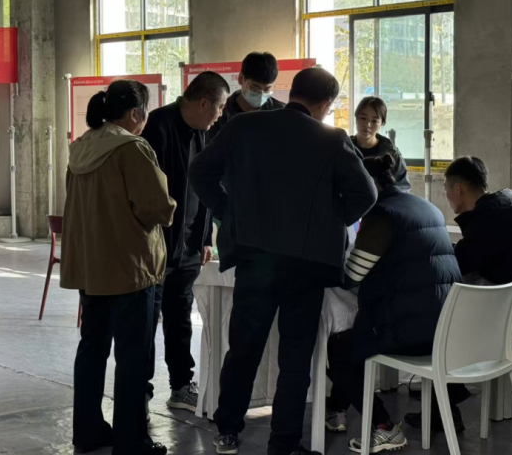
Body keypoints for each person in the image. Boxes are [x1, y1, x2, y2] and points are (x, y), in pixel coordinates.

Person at [190, 67, 376, 455]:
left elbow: (201, 171)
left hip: (255, 260)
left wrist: (229, 212)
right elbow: (366, 194)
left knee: (243, 349)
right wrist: (330, 220)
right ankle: (284, 443)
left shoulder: (243, 127)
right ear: (326, 104)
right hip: (306, 266)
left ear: (292, 92)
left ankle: (227, 431)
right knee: (295, 358)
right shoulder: (332, 139)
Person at [60, 80, 176, 455]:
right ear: (136, 113)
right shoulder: (132, 148)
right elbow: (156, 208)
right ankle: (131, 440)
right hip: (130, 267)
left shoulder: (81, 146)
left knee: (92, 349)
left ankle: (88, 431)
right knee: (133, 356)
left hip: (92, 266)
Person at [323, 154, 462, 452]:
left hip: (412, 332)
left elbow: (350, 277)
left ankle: (384, 427)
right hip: (445, 327)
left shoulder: (382, 215)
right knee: (350, 342)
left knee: (338, 347)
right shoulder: (427, 207)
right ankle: (335, 409)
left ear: (368, 185)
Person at [140, 71, 230, 412]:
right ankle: (141, 391)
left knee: (180, 318)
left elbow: (206, 186)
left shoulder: (205, 133)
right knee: (148, 320)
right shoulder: (157, 127)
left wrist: (206, 236)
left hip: (191, 245)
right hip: (159, 245)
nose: (220, 114)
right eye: (220, 107)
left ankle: (181, 386)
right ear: (204, 102)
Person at [443, 156, 512, 343]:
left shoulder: (487, 220)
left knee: (444, 299)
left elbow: (456, 265)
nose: (446, 195)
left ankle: (447, 359)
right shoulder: (509, 207)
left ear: (458, 189)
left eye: (446, 189)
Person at [208, 52, 284, 140]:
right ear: (241, 79)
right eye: (255, 87)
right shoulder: (219, 114)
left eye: (267, 89)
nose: (261, 94)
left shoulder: (281, 113)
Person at [350, 97, 410, 191]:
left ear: (382, 123)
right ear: (356, 119)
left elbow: (403, 188)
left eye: (374, 121)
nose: (367, 125)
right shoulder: (344, 148)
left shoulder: (391, 152)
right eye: (363, 118)